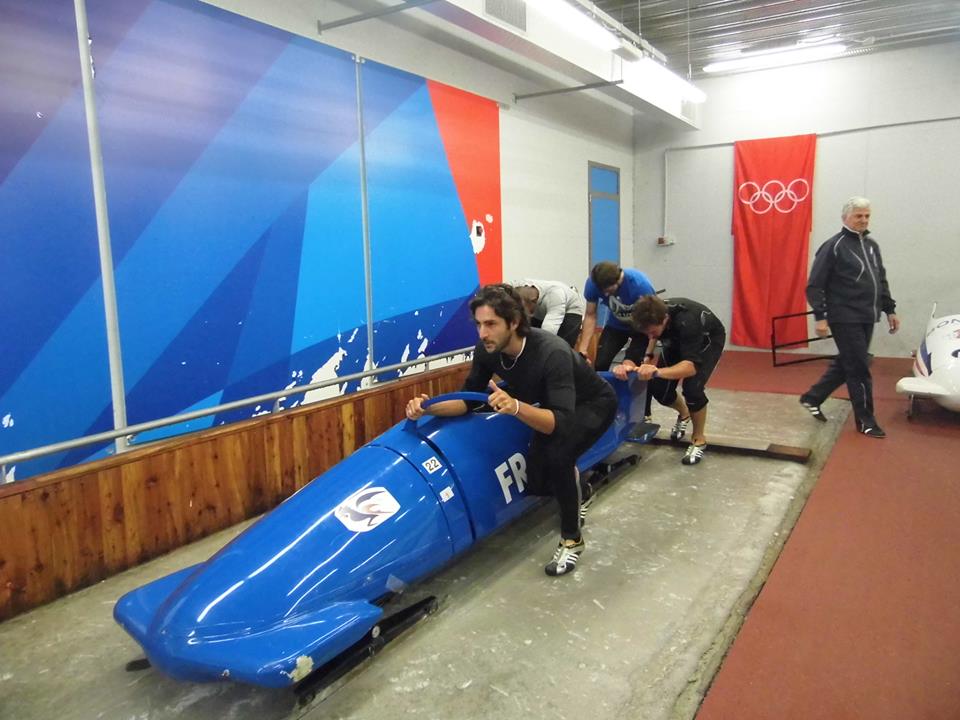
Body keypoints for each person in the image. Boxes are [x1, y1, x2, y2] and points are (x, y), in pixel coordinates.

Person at [406, 284, 617, 576]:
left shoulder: (551, 352)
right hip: (552, 406)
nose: (482, 333)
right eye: (479, 324)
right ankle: (581, 487)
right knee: (537, 483)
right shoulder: (487, 350)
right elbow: (467, 402)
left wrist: (516, 407)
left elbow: (561, 422)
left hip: (592, 404)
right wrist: (427, 407)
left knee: (559, 455)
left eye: (490, 324)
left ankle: (572, 539)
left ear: (514, 322)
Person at [800, 196, 899, 437]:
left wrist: (890, 309)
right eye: (858, 216)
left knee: (850, 361)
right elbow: (815, 285)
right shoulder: (834, 246)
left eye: (866, 216)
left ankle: (812, 397)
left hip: (867, 315)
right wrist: (820, 317)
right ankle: (866, 421)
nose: (863, 220)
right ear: (846, 218)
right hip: (844, 316)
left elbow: (880, 280)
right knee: (859, 367)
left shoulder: (872, 246)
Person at [613, 295, 726, 466]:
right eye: (647, 332)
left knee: (692, 389)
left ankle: (699, 439)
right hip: (674, 339)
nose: (650, 336)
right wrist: (625, 365)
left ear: (665, 319)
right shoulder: (642, 317)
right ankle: (684, 413)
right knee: (659, 389)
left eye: (653, 332)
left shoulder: (688, 320)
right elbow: (635, 349)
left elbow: (691, 366)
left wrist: (656, 371)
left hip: (706, 341)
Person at [576, 261, 656, 371]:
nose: (606, 295)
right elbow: (590, 315)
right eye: (602, 291)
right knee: (600, 365)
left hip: (642, 328)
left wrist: (649, 353)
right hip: (616, 326)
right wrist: (582, 350)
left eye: (609, 290)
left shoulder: (640, 286)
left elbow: (654, 322)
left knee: (628, 366)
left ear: (618, 280)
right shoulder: (592, 284)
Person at [513, 279, 586, 348]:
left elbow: (548, 333)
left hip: (571, 309)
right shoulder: (516, 286)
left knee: (560, 346)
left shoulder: (555, 296)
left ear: (534, 301)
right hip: (542, 309)